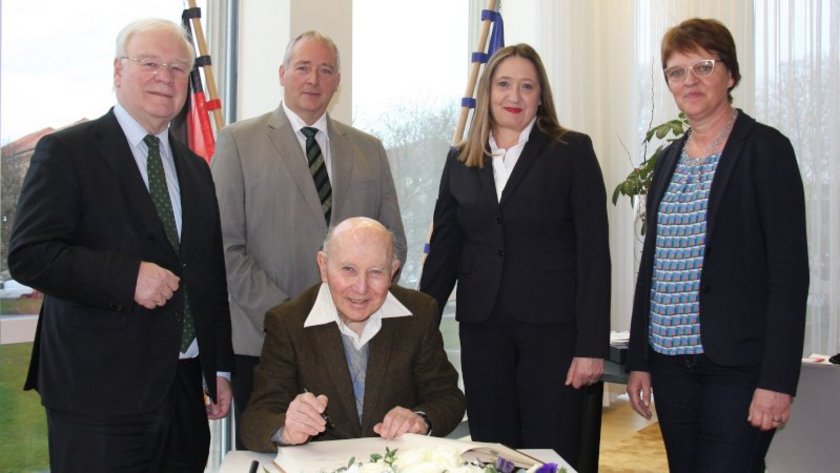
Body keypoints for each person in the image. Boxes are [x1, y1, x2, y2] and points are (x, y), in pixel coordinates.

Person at [8, 18, 233, 473]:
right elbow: (29, 254)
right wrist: (126, 276)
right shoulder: (68, 152)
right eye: (150, 63)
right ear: (117, 71)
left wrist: (219, 368)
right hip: (97, 397)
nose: (164, 77)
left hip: (185, 392)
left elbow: (208, 272)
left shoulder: (195, 168)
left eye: (177, 68)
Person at [625, 18, 809, 473]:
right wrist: (640, 361)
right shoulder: (666, 160)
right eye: (676, 71)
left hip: (738, 366)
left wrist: (777, 381)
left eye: (703, 66)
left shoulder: (766, 151)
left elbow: (789, 276)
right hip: (670, 365)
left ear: (730, 74)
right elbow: (653, 266)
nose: (690, 81)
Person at [211, 31, 407, 445]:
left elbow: (394, 246)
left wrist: (354, 304)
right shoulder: (237, 142)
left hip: (353, 345)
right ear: (282, 74)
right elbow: (225, 247)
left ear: (338, 81)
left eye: (325, 70)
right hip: (262, 342)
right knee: (271, 455)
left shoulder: (369, 149)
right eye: (302, 68)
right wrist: (288, 317)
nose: (313, 79)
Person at [419, 44, 611, 468]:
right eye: (505, 84)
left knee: (550, 449)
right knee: (494, 450)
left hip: (554, 335)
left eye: (527, 86)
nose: (515, 96)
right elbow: (444, 254)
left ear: (541, 96)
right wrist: (417, 329)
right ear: (487, 92)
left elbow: (594, 255)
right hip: (483, 330)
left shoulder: (571, 151)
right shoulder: (460, 160)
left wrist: (591, 345)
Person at [240, 217, 465, 451]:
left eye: (376, 272)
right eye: (349, 269)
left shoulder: (419, 313)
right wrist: (286, 429)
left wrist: (420, 419)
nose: (361, 288)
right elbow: (256, 419)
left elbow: (448, 398)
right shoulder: (288, 322)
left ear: (393, 271)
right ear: (323, 267)